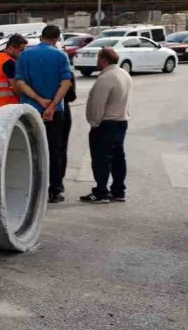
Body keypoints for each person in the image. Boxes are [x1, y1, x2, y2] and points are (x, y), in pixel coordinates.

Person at [14, 25, 74, 203]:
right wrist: (52, 105)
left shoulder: (25, 55)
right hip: (55, 112)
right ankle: (55, 190)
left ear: (41, 37)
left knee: (31, 150)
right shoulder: (60, 55)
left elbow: (20, 82)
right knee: (55, 151)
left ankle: (32, 190)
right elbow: (66, 83)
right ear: (56, 39)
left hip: (30, 110)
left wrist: (39, 100)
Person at [81, 47, 132, 203]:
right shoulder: (124, 74)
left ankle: (101, 192)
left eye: (98, 58)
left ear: (103, 60)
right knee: (118, 158)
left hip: (106, 124)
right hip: (121, 121)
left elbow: (98, 104)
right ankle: (118, 191)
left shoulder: (106, 78)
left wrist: (94, 123)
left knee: (101, 159)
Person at [0, 34, 27, 110]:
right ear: (11, 48)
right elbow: (16, 88)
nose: (23, 53)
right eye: (21, 50)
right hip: (6, 107)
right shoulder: (9, 62)